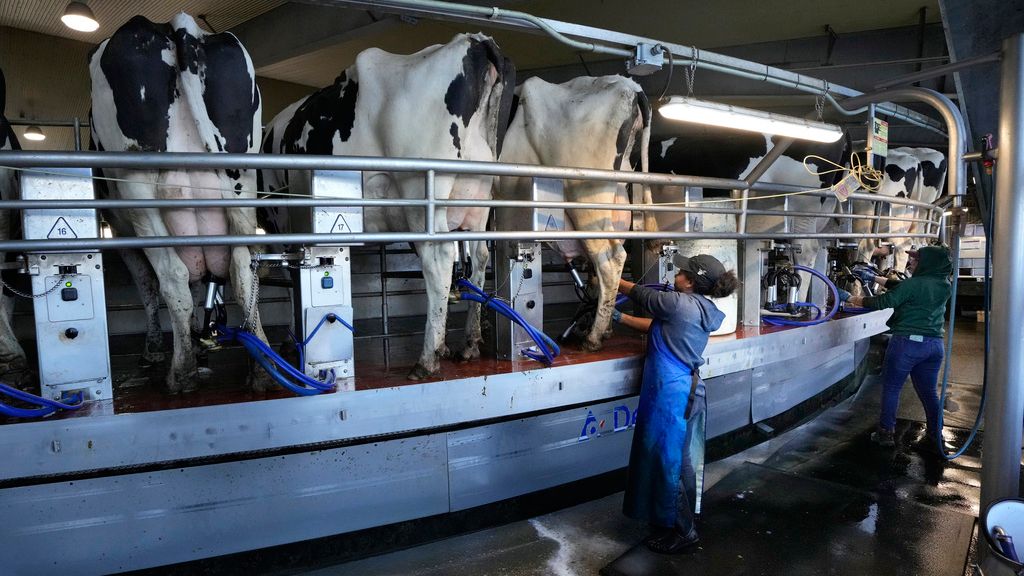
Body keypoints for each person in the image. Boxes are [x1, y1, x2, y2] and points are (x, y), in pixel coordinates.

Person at [615, 253, 739, 554]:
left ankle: (684, 531)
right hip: (685, 389)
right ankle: (666, 521)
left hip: (672, 394)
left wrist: (607, 279)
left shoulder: (677, 303)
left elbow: (640, 294)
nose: (676, 273)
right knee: (672, 459)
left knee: (669, 461)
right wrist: (618, 318)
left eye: (681, 270)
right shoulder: (696, 307)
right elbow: (657, 325)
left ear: (690, 281)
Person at [845, 245, 952, 451]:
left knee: (892, 388)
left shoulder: (914, 284)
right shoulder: (944, 284)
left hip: (907, 345)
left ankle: (885, 433)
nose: (910, 262)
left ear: (927, 263)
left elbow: (884, 301)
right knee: (929, 393)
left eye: (916, 259)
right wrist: (874, 278)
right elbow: (903, 287)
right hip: (934, 346)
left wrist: (851, 298)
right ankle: (934, 434)